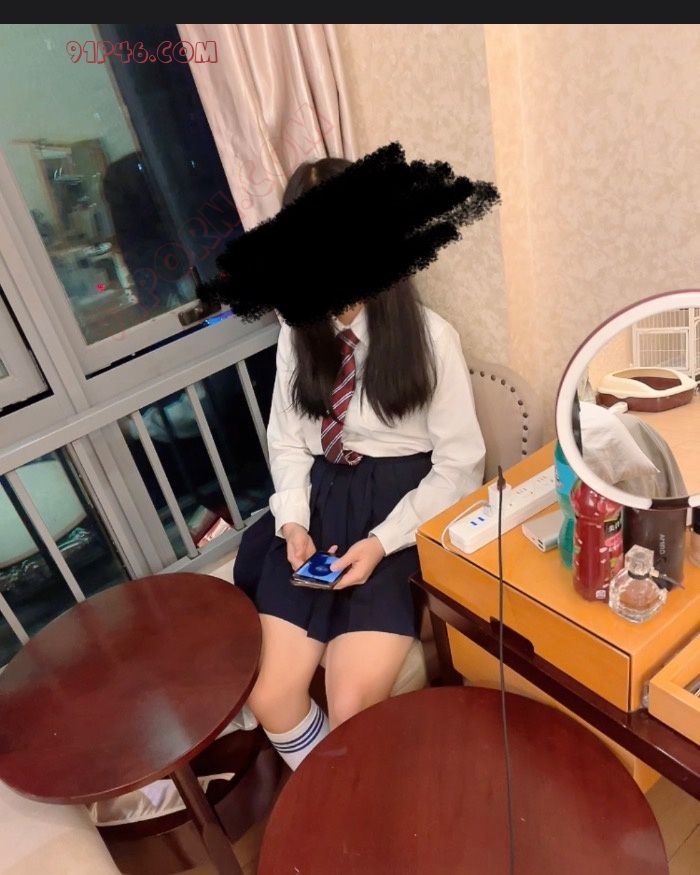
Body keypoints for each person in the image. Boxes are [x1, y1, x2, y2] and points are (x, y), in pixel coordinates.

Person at [234, 157, 486, 770]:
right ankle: (332, 789)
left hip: (401, 506)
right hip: (321, 499)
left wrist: (381, 542)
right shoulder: (297, 330)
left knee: (351, 705)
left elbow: (460, 465)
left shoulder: (431, 338)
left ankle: (354, 790)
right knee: (271, 697)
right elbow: (288, 441)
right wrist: (293, 521)